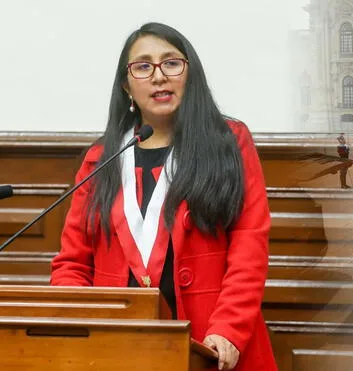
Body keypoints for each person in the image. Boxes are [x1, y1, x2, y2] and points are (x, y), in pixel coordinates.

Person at [49, 23, 277, 371]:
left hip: (211, 345)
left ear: (190, 74)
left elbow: (249, 244)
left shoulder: (228, 142)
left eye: (171, 63)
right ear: (127, 86)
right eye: (143, 66)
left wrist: (228, 328)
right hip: (117, 349)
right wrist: (81, 325)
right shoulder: (101, 159)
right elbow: (72, 264)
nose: (158, 77)